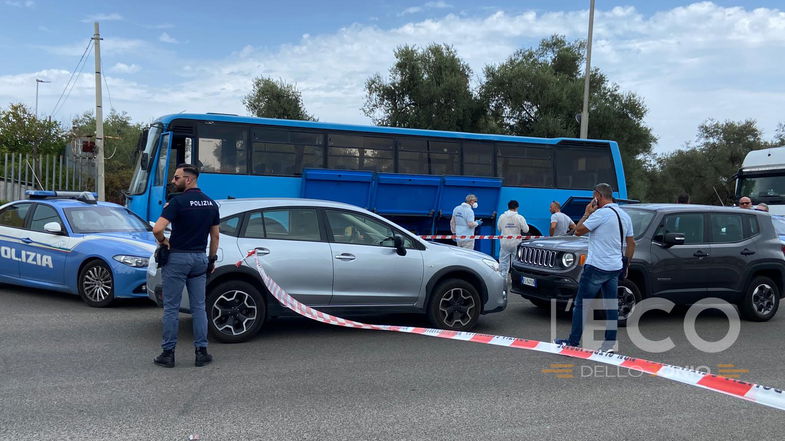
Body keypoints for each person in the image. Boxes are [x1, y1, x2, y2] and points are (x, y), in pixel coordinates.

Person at [152, 164, 220, 368]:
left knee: (171, 308)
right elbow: (215, 235)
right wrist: (212, 260)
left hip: (178, 258)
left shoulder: (178, 202)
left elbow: (157, 229)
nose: (173, 181)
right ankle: (201, 352)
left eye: (176, 178)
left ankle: (168, 353)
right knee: (199, 307)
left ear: (188, 179)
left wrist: (164, 241)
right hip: (199, 259)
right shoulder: (211, 204)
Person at [554, 183, 634, 353]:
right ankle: (609, 344)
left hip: (597, 266)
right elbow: (631, 243)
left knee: (581, 305)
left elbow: (578, 231)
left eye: (593, 196)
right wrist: (626, 264)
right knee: (611, 305)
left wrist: (586, 213)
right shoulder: (624, 215)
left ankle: (573, 342)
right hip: (615, 267)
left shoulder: (601, 214)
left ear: (598, 196)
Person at [497, 200, 529, 278]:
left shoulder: (502, 216)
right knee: (516, 261)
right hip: (516, 242)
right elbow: (526, 230)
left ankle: (503, 279)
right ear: (517, 207)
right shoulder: (519, 217)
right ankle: (515, 278)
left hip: (504, 241)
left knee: (503, 261)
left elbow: (499, 228)